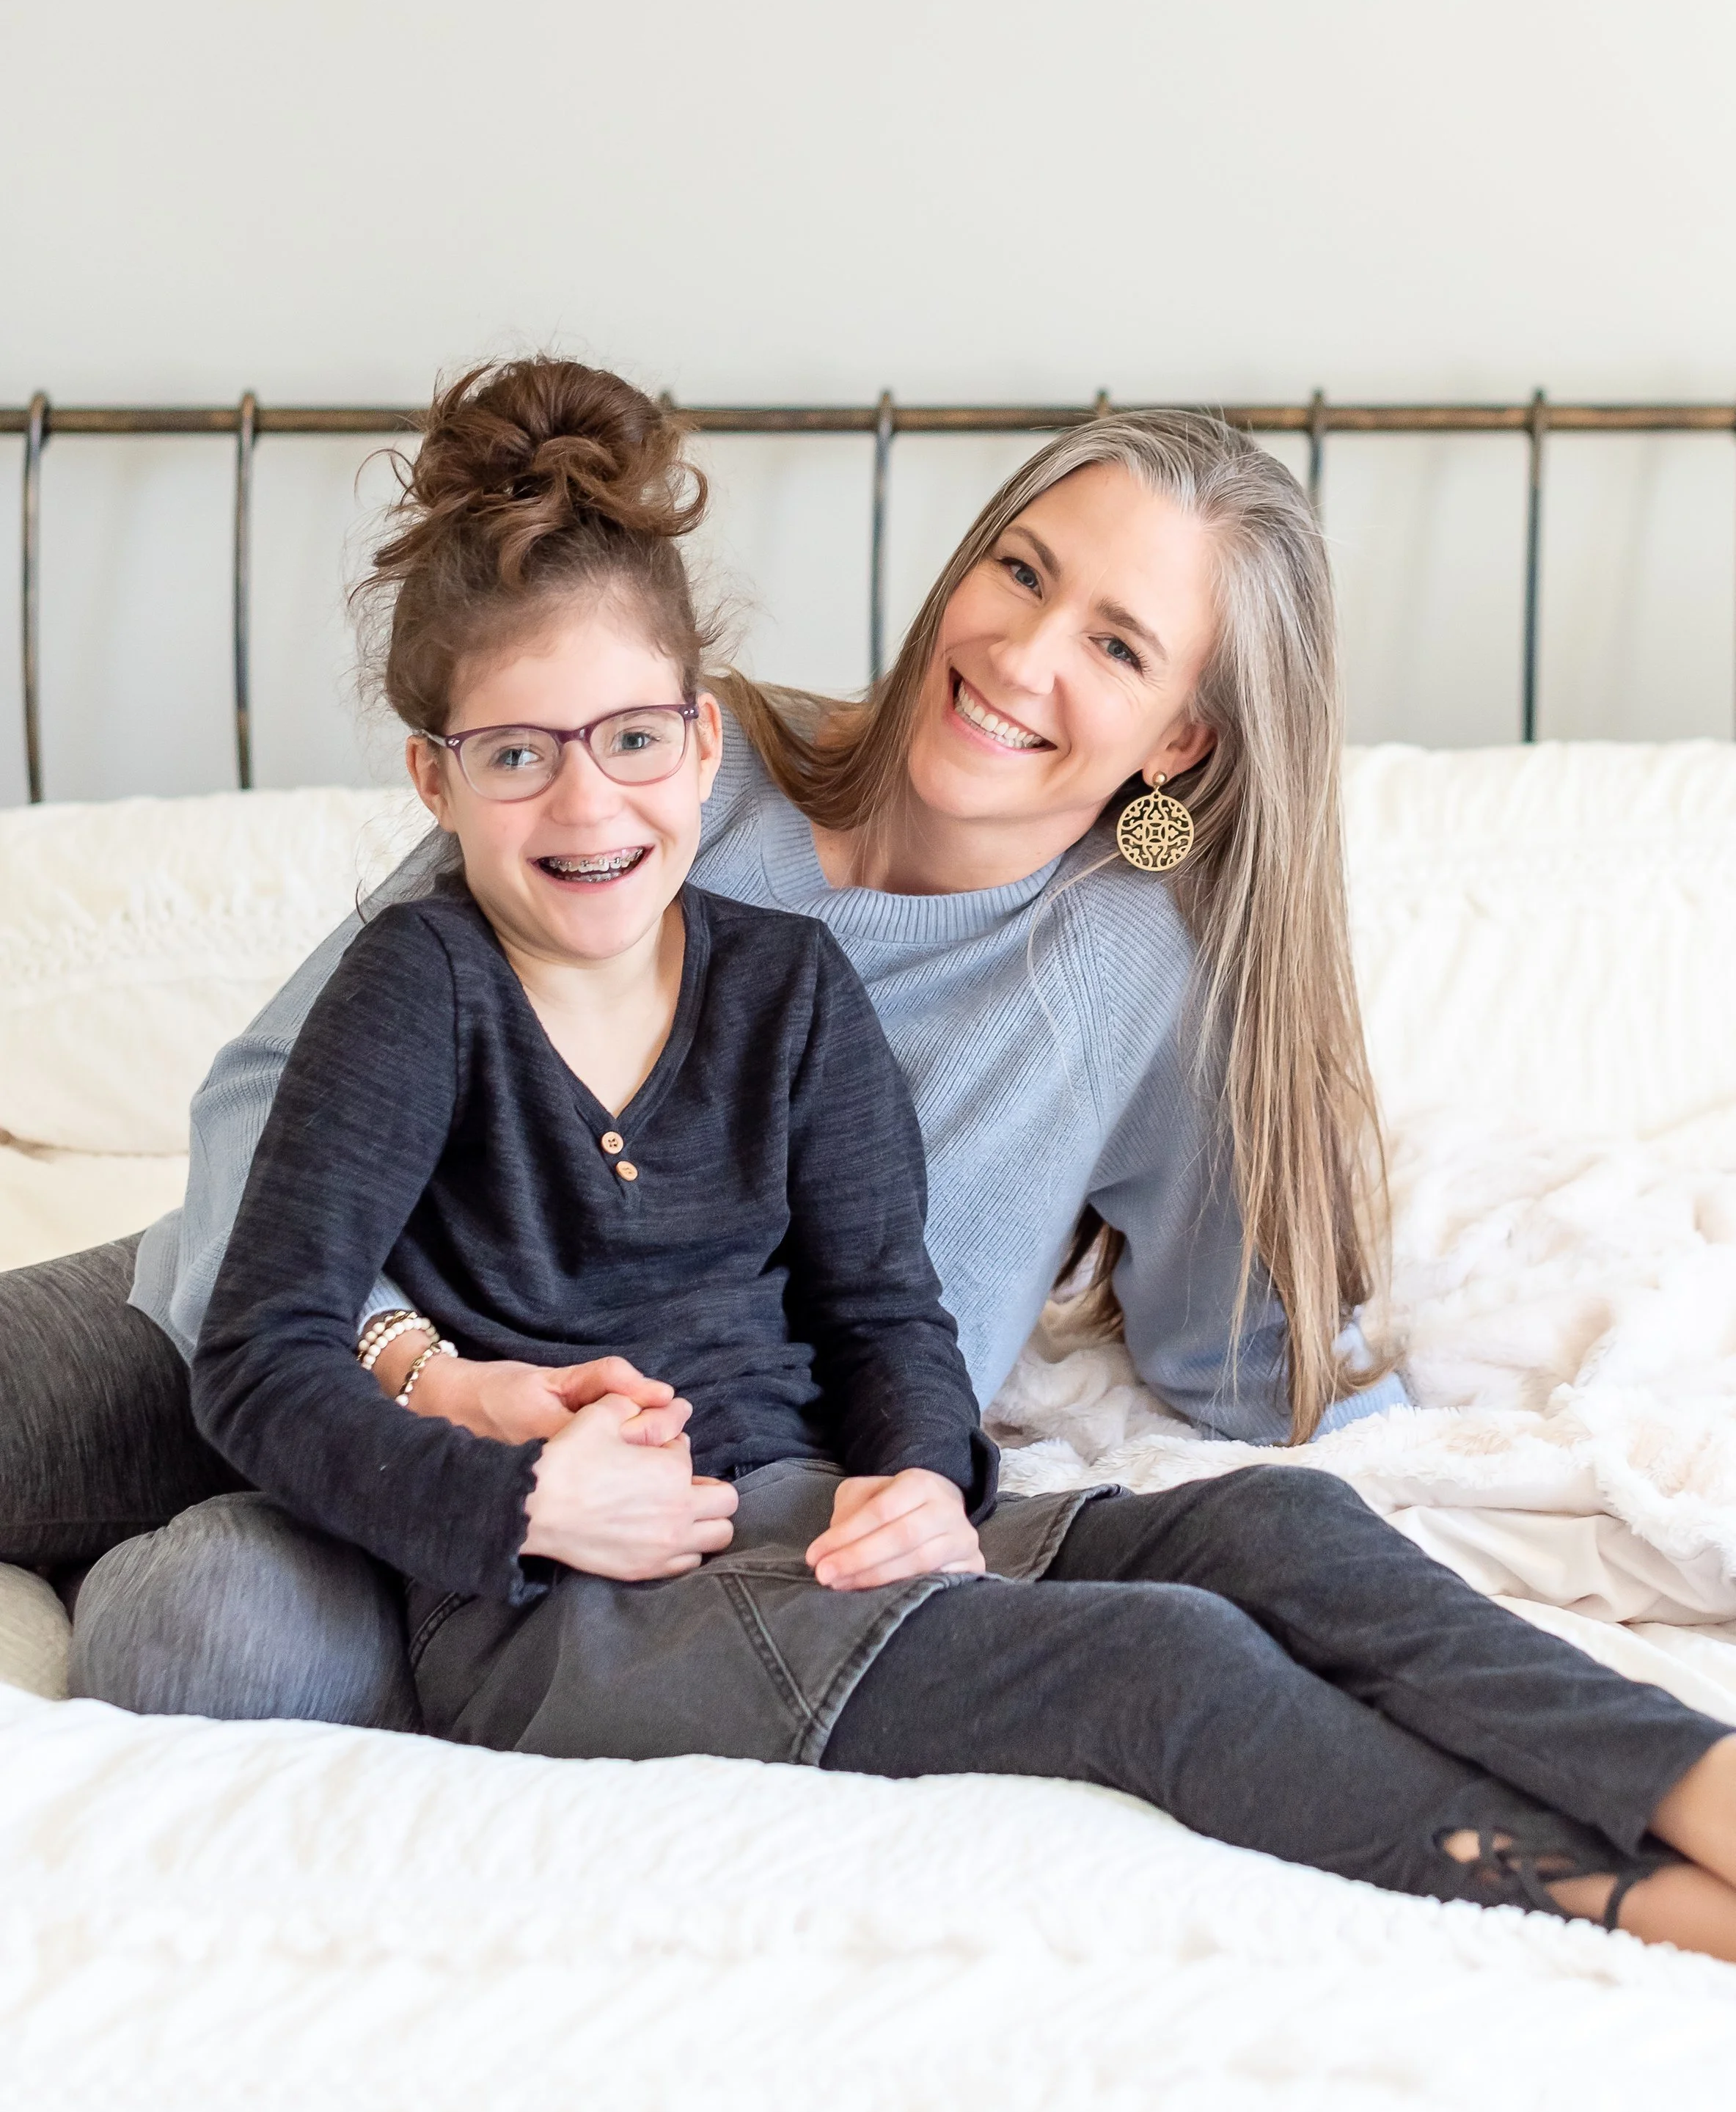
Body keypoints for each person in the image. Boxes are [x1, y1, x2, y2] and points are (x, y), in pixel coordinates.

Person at [67, 356, 1736, 1958]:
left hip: (697, 1508)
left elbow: (1179, 1354)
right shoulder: (651, 763)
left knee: (208, 1628)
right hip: (315, 1310)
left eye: (1117, 643)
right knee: (65, 1410)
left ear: (1183, 740)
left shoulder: (1120, 974)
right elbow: (264, 1147)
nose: (1022, 654)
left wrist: (1391, 1416)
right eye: (1018, 570)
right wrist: (428, 1391)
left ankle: (1687, 1811)